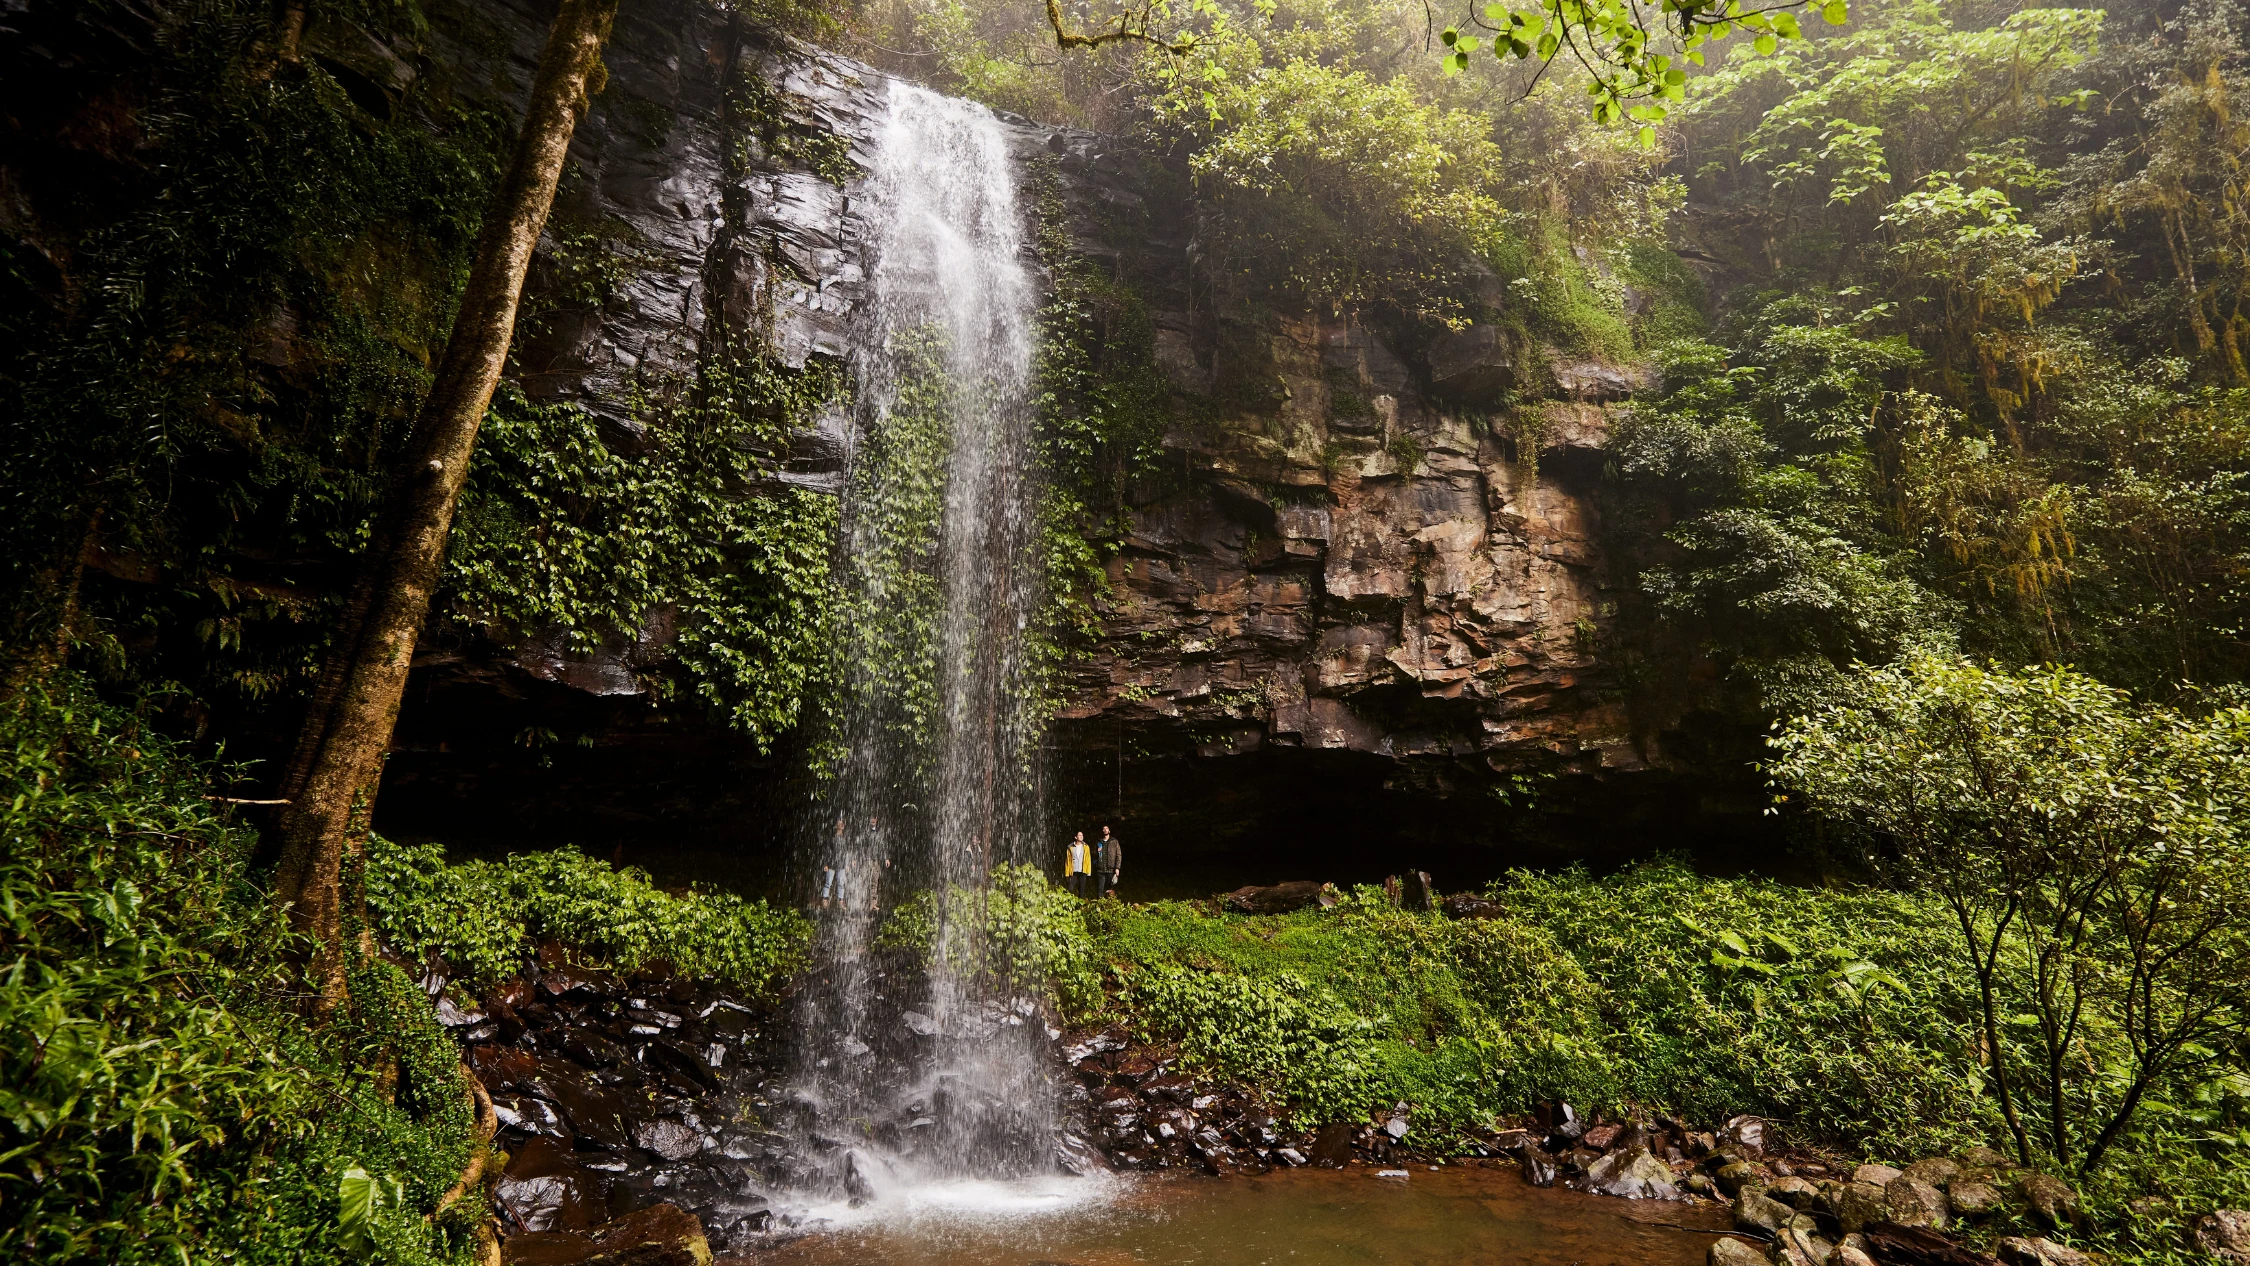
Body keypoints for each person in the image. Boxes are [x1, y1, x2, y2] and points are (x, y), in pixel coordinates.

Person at [1095, 824, 1122, 899]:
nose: (1105, 830)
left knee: (1110, 889)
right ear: (1102, 831)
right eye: (1104, 829)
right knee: (1100, 889)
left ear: (1109, 831)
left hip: (1110, 869)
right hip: (1101, 869)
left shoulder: (1114, 842)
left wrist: (1117, 868)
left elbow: (1118, 855)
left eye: (1107, 828)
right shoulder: (1098, 842)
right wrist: (1096, 851)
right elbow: (1092, 854)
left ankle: (1109, 905)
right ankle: (1100, 905)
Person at [1063, 830, 1092, 897]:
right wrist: (1067, 874)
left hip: (1083, 871)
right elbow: (1068, 861)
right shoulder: (1070, 847)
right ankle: (1070, 902)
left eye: (1082, 835)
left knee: (1082, 889)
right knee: (1070, 888)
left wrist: (1088, 872)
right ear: (1076, 837)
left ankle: (1081, 904)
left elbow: (1088, 860)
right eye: (1079, 835)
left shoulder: (1086, 847)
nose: (1081, 836)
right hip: (1073, 871)